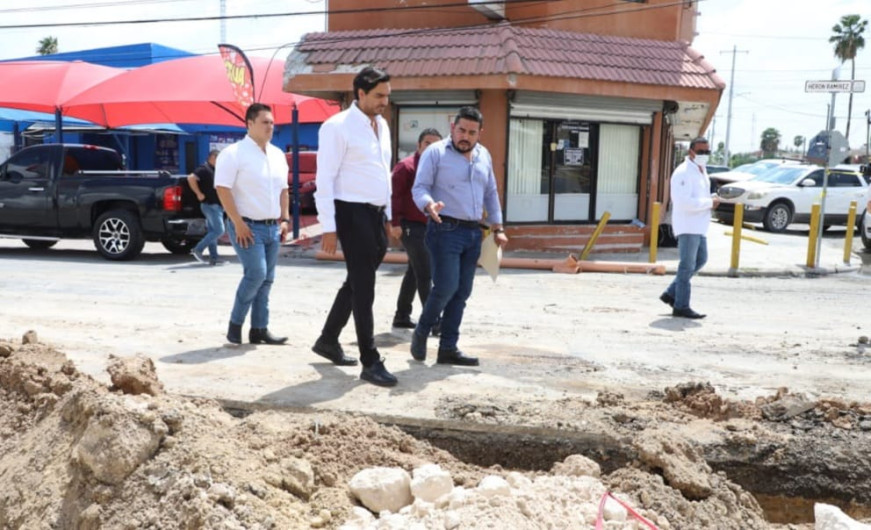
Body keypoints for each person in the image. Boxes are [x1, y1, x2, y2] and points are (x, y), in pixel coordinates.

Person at [312, 67, 400, 387]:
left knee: (357, 281)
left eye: (387, 96)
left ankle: (327, 340)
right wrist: (329, 227)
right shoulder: (337, 127)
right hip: (350, 213)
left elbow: (383, 173)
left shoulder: (383, 125)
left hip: (375, 215)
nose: (384, 102)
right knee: (365, 288)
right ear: (359, 93)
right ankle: (370, 360)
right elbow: (325, 180)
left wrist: (389, 215)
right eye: (378, 96)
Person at [410, 106, 508, 366]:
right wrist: (428, 204)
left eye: (472, 132)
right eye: (461, 130)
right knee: (446, 287)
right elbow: (419, 187)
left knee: (462, 292)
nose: (465, 136)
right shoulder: (436, 153)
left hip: (473, 232)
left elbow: (490, 193)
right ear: (453, 127)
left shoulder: (483, 155)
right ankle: (422, 331)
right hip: (444, 228)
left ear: (480, 133)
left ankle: (448, 348)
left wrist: (498, 227)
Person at [214, 103, 290, 345]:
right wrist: (237, 223)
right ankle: (235, 324)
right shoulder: (233, 153)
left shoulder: (277, 154)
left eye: (272, 122)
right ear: (249, 124)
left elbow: (284, 190)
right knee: (255, 274)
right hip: (246, 226)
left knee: (267, 279)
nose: (271, 126)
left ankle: (259, 329)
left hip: (272, 227)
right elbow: (222, 188)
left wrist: (285, 219)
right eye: (265, 122)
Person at [659, 137, 719, 319]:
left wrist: (713, 198)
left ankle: (671, 293)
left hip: (699, 226)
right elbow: (683, 202)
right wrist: (709, 202)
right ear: (690, 151)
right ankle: (681, 306)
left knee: (701, 259)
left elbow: (699, 195)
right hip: (688, 225)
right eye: (701, 152)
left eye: (707, 152)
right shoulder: (683, 172)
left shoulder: (701, 170)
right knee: (686, 266)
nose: (704, 155)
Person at [391, 128, 442, 333]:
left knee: (414, 271)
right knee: (425, 273)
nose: (432, 147)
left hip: (430, 224)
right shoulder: (406, 166)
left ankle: (402, 316)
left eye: (436, 144)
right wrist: (394, 223)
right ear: (419, 145)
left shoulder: (438, 167)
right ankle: (433, 321)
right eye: (427, 143)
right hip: (410, 226)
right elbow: (393, 196)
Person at [188, 149, 225, 266]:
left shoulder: (214, 170)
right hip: (210, 205)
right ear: (213, 157)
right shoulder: (204, 169)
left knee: (213, 231)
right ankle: (198, 249)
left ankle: (214, 258)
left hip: (216, 205)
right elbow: (191, 178)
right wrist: (198, 193)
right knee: (219, 230)